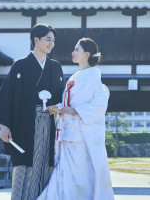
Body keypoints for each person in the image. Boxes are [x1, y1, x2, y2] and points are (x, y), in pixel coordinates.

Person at [0, 24, 65, 200]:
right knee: (25, 164)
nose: (52, 43)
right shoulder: (20, 66)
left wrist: (59, 107)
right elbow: (8, 95)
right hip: (26, 125)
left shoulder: (56, 67)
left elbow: (62, 97)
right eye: (48, 39)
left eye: (53, 40)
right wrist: (4, 125)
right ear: (36, 40)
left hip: (50, 124)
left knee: (47, 164)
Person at [38, 37, 115, 200]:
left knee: (78, 179)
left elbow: (99, 106)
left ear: (87, 54)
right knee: (63, 177)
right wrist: (59, 108)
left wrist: (76, 111)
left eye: (77, 50)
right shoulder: (75, 77)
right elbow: (70, 103)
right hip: (67, 134)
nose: (73, 53)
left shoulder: (94, 78)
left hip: (81, 137)